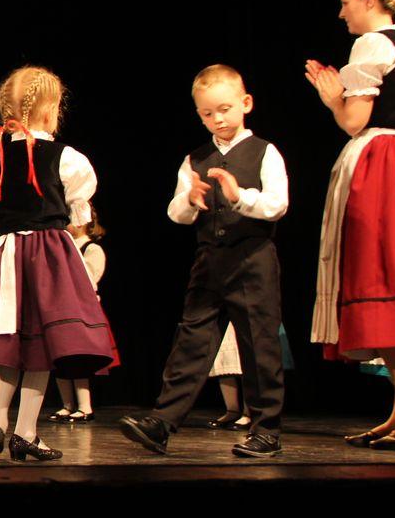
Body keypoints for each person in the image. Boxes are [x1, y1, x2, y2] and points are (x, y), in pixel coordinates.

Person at [305, 0, 395, 450]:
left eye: (346, 2)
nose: (341, 13)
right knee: (394, 281)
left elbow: (353, 120)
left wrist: (332, 98)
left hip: (385, 167)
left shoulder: (371, 44)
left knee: (384, 282)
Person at [120, 64, 289, 457]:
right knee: (192, 338)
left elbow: (278, 204)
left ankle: (266, 429)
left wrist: (239, 196)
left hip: (253, 257)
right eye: (208, 113)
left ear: (246, 103)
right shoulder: (195, 158)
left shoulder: (265, 151)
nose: (218, 119)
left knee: (259, 344)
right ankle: (163, 421)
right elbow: (175, 213)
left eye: (225, 109)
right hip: (210, 258)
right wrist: (190, 200)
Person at [0, 66, 113, 463]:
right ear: (51, 110)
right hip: (48, 253)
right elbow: (79, 213)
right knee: (41, 343)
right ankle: (25, 431)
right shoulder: (66, 158)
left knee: (10, 337)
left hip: (8, 252)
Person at [48, 207, 114, 424]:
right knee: (59, 358)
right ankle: (67, 405)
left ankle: (85, 407)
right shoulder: (62, 246)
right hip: (60, 305)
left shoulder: (91, 248)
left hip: (81, 307)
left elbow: (91, 278)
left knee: (78, 357)